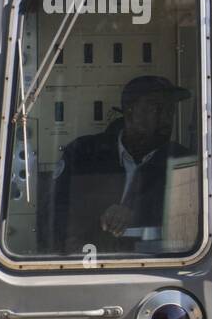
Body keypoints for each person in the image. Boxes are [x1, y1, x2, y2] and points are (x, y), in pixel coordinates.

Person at [51, 75, 193, 254]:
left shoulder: (182, 160)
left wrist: (136, 213)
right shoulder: (83, 153)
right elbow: (56, 214)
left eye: (170, 110)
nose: (165, 118)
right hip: (89, 264)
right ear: (129, 110)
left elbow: (189, 217)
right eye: (156, 108)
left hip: (158, 266)